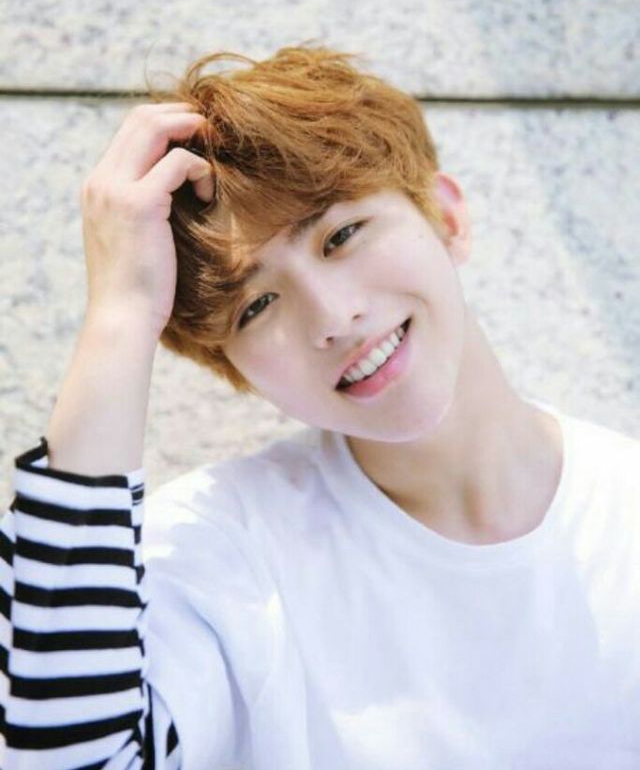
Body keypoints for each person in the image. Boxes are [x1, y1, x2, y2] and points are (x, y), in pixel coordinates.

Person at [1, 45, 639, 770]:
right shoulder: (220, 555)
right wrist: (120, 317)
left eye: (341, 235)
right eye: (257, 305)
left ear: (447, 217)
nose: (333, 316)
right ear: (234, 369)